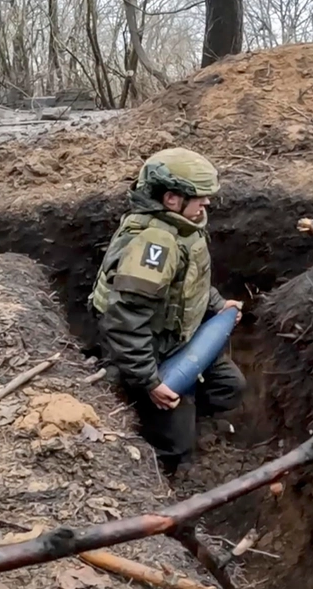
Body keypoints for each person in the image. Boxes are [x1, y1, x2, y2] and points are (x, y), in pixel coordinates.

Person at [88, 147, 245, 477]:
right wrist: (149, 379)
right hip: (148, 347)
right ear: (172, 199)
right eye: (200, 197)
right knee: (176, 445)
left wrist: (216, 304)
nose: (207, 204)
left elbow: (188, 282)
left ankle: (179, 412)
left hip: (178, 336)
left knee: (229, 386)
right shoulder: (154, 244)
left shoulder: (183, 228)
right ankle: (157, 452)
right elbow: (124, 319)